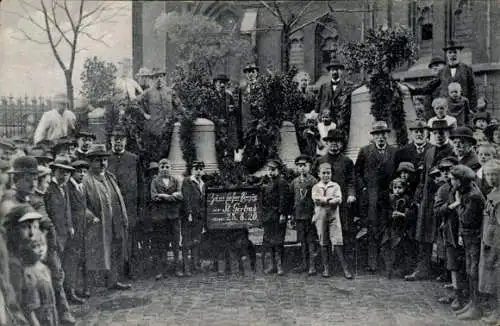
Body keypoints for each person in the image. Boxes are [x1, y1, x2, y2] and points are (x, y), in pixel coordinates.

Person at [406, 120, 456, 281]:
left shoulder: (452, 151)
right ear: (432, 134)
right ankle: (423, 268)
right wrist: (419, 196)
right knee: (423, 234)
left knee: (444, 235)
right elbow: (423, 176)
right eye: (436, 133)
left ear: (447, 133)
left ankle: (446, 272)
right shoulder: (429, 151)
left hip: (444, 199)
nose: (439, 136)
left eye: (442, 133)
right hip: (427, 200)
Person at [82, 144, 131, 291]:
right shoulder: (86, 180)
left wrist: (123, 216)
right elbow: (81, 205)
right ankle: (92, 284)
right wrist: (91, 217)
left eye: (104, 160)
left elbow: (118, 198)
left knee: (115, 250)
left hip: (114, 221)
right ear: (90, 162)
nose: (103, 163)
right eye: (98, 160)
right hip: (98, 224)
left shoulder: (110, 177)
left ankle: (113, 280)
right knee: (97, 252)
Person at [5, 205, 58, 326]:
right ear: (14, 230)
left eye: (35, 227)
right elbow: (24, 309)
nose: (31, 233)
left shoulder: (39, 266)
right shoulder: (15, 266)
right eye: (24, 227)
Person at [355, 121, 397, 272]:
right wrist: (364, 188)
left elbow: (397, 172)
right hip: (371, 196)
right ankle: (372, 264)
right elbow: (357, 173)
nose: (380, 137)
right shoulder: (365, 151)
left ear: (387, 135)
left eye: (383, 134)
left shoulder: (393, 151)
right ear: (373, 137)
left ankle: (387, 264)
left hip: (388, 196)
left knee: (387, 227)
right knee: (372, 229)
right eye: (377, 134)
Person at [449, 164, 485, 320]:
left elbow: (465, 219)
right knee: (470, 270)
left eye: (453, 179)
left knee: (473, 271)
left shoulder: (473, 196)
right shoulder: (466, 191)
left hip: (474, 238)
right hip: (468, 236)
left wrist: (457, 204)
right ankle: (472, 303)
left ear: (460, 181)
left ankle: (476, 307)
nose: (451, 182)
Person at [106, 126, 141, 279]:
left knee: (131, 239)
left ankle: (130, 270)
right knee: (114, 239)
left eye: (121, 139)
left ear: (126, 141)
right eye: (115, 139)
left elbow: (141, 183)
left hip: (130, 206)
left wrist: (140, 207)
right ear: (111, 141)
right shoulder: (105, 158)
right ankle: (114, 273)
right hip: (112, 207)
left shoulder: (133, 159)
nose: (118, 142)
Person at [312, 162, 352, 279]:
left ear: (331, 174)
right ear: (319, 174)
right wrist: (328, 199)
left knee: (337, 241)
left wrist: (327, 201)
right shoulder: (316, 187)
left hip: (334, 217)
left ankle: (345, 269)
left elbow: (338, 200)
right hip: (321, 217)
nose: (326, 175)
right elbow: (316, 199)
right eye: (323, 173)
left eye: (328, 173)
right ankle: (326, 268)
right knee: (323, 241)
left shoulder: (335, 186)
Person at [138, 68, 184, 161]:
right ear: (152, 79)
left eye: (161, 76)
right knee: (153, 157)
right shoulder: (148, 92)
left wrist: (180, 117)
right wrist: (144, 114)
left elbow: (179, 107)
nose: (159, 79)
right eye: (156, 77)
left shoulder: (170, 92)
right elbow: (136, 103)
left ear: (164, 78)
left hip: (169, 130)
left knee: (169, 155)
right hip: (153, 129)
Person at [433, 156, 461, 309]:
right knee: (453, 263)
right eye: (443, 170)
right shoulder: (443, 189)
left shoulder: (466, 185)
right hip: (451, 229)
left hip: (467, 228)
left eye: (449, 169)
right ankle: (456, 295)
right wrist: (451, 206)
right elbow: (437, 211)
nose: (446, 173)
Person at [150, 159, 183, 279]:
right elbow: (154, 197)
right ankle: (161, 271)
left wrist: (163, 196)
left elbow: (180, 196)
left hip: (173, 216)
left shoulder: (176, 180)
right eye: (162, 166)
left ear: (171, 168)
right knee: (161, 244)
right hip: (160, 217)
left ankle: (177, 269)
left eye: (167, 166)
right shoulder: (155, 181)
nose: (165, 169)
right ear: (159, 168)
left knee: (175, 243)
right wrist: (170, 196)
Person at [382, 178, 417, 279]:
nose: (397, 190)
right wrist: (390, 215)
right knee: (388, 247)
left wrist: (402, 214)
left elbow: (411, 213)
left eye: (400, 188)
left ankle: (403, 270)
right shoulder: (390, 198)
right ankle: (389, 270)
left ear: (404, 188)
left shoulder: (407, 199)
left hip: (402, 229)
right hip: (391, 228)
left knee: (403, 249)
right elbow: (385, 212)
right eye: (395, 188)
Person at [479, 159, 500, 325]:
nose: (491, 178)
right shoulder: (492, 192)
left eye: (495, 174)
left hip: (496, 242)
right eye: (488, 174)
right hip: (489, 240)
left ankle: (497, 313)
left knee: (496, 276)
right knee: (489, 275)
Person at [290, 155, 318, 275]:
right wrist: (292, 215)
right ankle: (304, 264)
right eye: (299, 166)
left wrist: (315, 214)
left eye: (304, 166)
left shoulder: (314, 181)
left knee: (311, 240)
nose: (302, 168)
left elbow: (316, 200)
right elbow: (292, 199)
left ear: (309, 167)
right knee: (302, 241)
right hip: (299, 215)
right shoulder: (294, 182)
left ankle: (312, 266)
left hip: (310, 216)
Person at [260, 159, 289, 276]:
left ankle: (280, 266)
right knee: (269, 241)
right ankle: (272, 265)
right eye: (269, 170)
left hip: (278, 215)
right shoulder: (268, 183)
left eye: (273, 170)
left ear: (279, 170)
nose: (271, 172)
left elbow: (284, 199)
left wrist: (282, 214)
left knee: (278, 241)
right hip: (269, 216)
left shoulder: (281, 182)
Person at [66, 160, 90, 299]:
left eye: (84, 172)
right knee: (72, 260)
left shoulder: (82, 187)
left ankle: (81, 288)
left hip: (82, 228)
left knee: (82, 259)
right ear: (72, 173)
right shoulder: (69, 188)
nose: (82, 174)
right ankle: (71, 291)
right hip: (73, 230)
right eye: (79, 171)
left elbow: (84, 208)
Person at [315, 60, 353, 143]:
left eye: (337, 69)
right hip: (326, 120)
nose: (335, 72)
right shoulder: (323, 86)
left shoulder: (347, 85)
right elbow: (318, 106)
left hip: (340, 120)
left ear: (341, 71)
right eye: (332, 70)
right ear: (330, 72)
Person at [181, 161, 206, 276]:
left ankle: (195, 264)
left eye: (200, 169)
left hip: (199, 216)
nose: (198, 171)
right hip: (189, 216)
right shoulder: (188, 181)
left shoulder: (202, 183)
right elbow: (186, 198)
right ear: (192, 170)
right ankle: (186, 267)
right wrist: (189, 213)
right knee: (187, 241)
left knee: (196, 240)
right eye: (196, 169)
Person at [438, 40, 477, 113]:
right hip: (446, 109)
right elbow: (437, 91)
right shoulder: (441, 72)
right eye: (450, 52)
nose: (452, 55)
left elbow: (473, 90)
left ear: (459, 54)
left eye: (455, 52)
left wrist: (472, 109)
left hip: (463, 108)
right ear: (446, 55)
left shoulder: (467, 69)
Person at [212, 74, 239, 156]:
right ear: (215, 84)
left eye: (224, 83)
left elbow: (235, 112)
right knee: (217, 152)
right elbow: (207, 113)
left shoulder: (229, 96)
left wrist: (233, 110)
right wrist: (217, 120)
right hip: (215, 128)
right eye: (220, 82)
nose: (222, 85)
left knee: (229, 152)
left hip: (227, 128)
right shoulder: (211, 96)